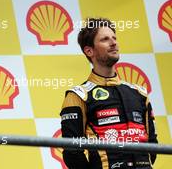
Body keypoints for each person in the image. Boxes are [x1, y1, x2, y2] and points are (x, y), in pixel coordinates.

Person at [60, 18, 158, 169]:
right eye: (105, 39)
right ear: (89, 51)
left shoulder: (139, 93)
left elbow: (152, 145)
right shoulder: (78, 95)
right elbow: (72, 152)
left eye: (114, 38)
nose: (113, 43)